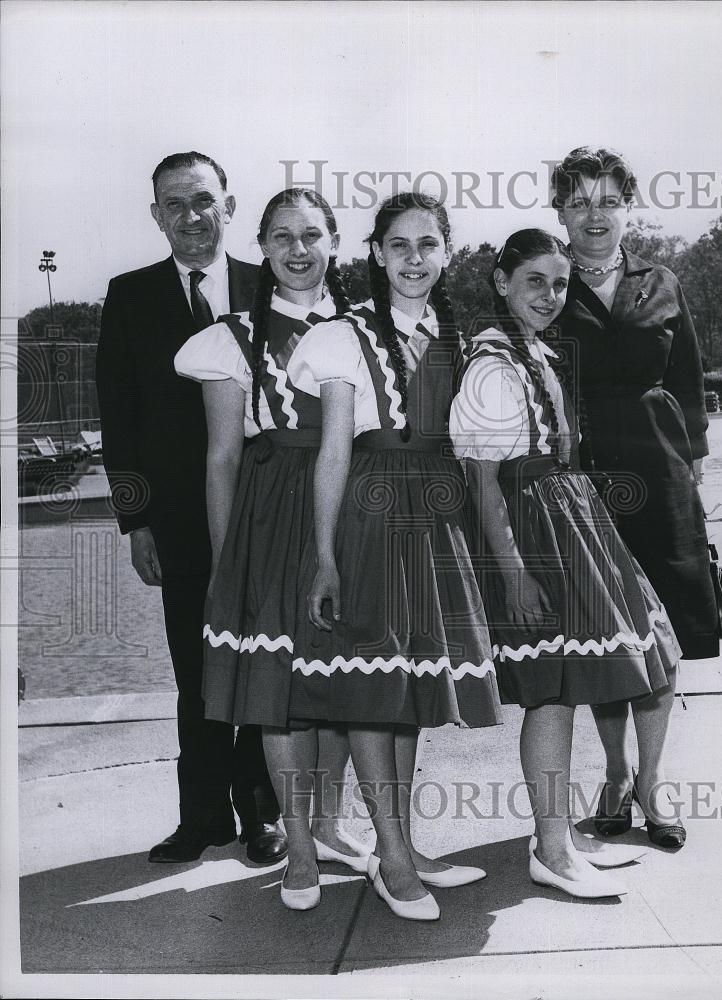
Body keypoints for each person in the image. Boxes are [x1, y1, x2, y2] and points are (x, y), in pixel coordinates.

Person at [279, 192, 502, 920]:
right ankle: (393, 857)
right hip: (372, 517)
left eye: (428, 244)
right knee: (374, 685)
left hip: (436, 520)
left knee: (410, 688)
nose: (413, 258)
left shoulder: (452, 334)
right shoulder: (345, 336)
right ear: (374, 254)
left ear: (445, 254)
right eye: (398, 245)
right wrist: (324, 556)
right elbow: (334, 451)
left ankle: (398, 842)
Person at [449, 229, 681, 898]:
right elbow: (482, 480)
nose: (550, 295)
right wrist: (514, 571)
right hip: (534, 533)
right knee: (550, 689)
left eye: (559, 283)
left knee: (574, 683)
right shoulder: (493, 365)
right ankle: (551, 849)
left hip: (569, 519)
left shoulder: (533, 352)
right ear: (501, 282)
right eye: (534, 282)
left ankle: (559, 837)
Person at [174, 187, 371, 880]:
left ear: (335, 244)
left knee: (348, 675)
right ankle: (297, 843)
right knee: (280, 682)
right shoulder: (229, 337)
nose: (297, 249)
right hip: (273, 515)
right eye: (282, 236)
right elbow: (222, 456)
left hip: (357, 512)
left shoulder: (363, 326)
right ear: (261, 247)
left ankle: (332, 821)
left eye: (311, 235)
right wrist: (231, 560)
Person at [96, 151, 286, 864]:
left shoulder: (269, 287)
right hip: (175, 521)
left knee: (265, 662)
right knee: (196, 668)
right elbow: (118, 418)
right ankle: (202, 816)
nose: (191, 216)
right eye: (173, 204)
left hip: (266, 511)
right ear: (156, 216)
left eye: (202, 200)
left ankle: (261, 813)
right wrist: (134, 520)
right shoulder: (129, 296)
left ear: (228, 206)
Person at [553, 147, 717, 847]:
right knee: (605, 630)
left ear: (628, 206)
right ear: (560, 210)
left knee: (667, 632)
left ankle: (652, 783)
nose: (595, 214)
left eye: (608, 199)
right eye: (579, 200)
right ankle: (614, 775)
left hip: (661, 468)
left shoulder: (663, 281)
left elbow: (689, 377)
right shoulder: (548, 282)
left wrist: (695, 461)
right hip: (582, 477)